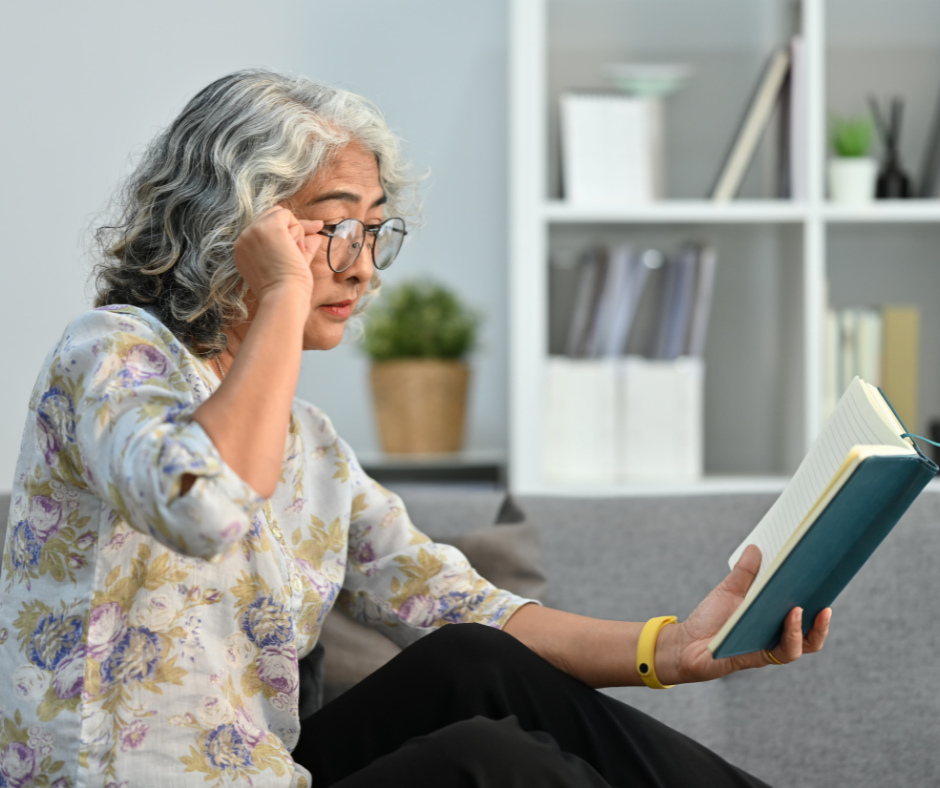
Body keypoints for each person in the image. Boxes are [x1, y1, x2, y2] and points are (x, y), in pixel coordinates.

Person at [0, 70, 830, 788]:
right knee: (492, 763)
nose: (362, 268)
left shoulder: (310, 443)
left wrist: (673, 649)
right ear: (238, 225)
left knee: (471, 661)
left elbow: (461, 604)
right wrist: (286, 296)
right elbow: (205, 505)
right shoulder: (109, 354)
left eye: (374, 231)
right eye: (333, 229)